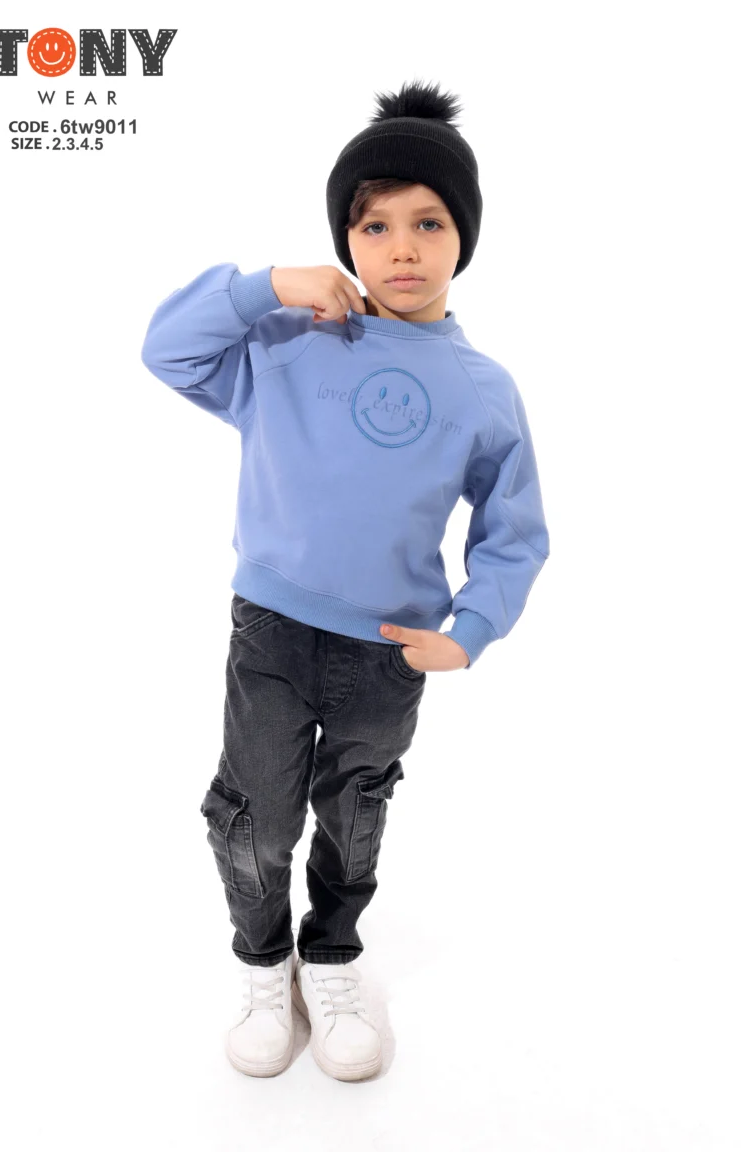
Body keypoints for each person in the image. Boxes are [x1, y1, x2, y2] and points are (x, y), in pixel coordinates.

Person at [140, 79, 550, 1082]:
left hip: (386, 654)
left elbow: (515, 532)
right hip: (272, 633)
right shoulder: (289, 343)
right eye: (375, 225)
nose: (402, 248)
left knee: (356, 812)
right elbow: (168, 350)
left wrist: (471, 629)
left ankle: (330, 956)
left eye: (428, 222)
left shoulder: (484, 389)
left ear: (463, 236)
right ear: (346, 239)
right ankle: (261, 960)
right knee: (255, 813)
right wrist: (264, 288)